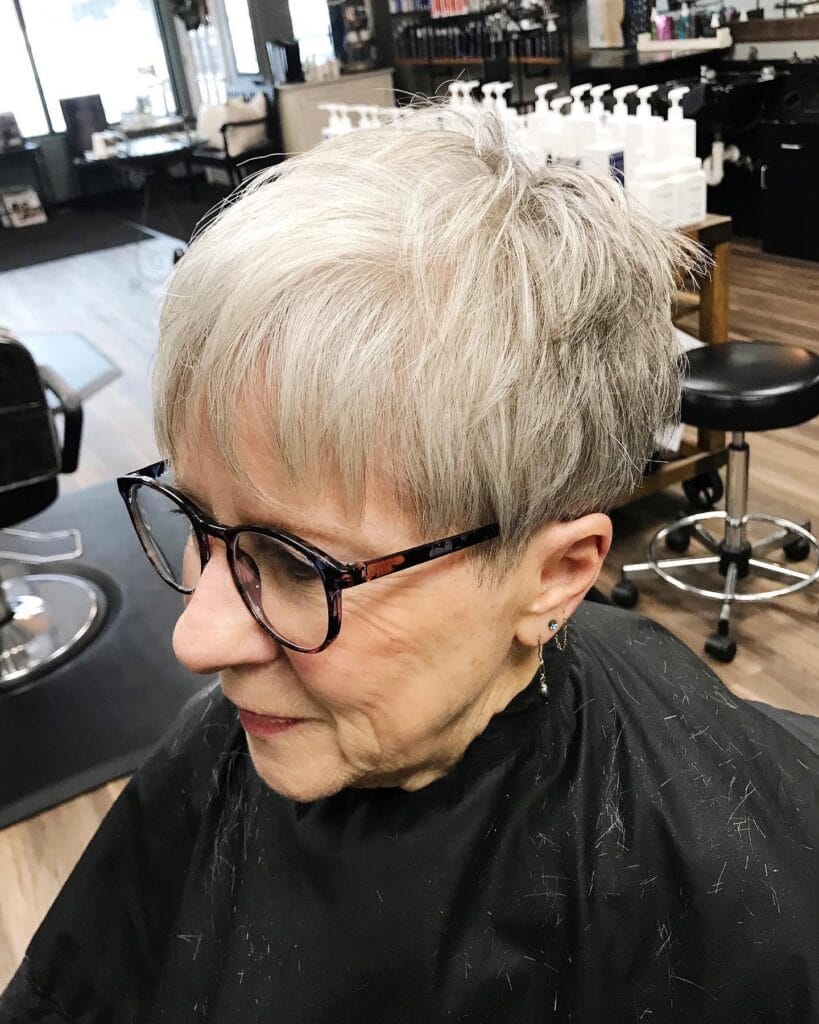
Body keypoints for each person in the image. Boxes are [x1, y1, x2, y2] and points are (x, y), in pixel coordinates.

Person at [2, 105, 816, 1024]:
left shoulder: (749, 896)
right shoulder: (220, 754)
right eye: (196, 520)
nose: (196, 638)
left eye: (298, 564)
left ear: (556, 575)